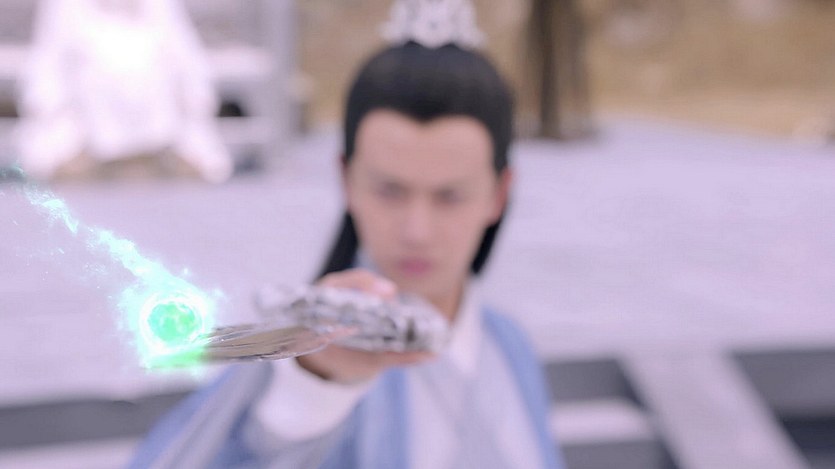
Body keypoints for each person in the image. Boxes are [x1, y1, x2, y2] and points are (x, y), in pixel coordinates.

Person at [129, 2, 564, 468]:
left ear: (499, 194)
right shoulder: (305, 354)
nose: (417, 231)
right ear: (346, 179)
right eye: (389, 191)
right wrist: (314, 388)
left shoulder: (509, 345)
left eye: (450, 196)